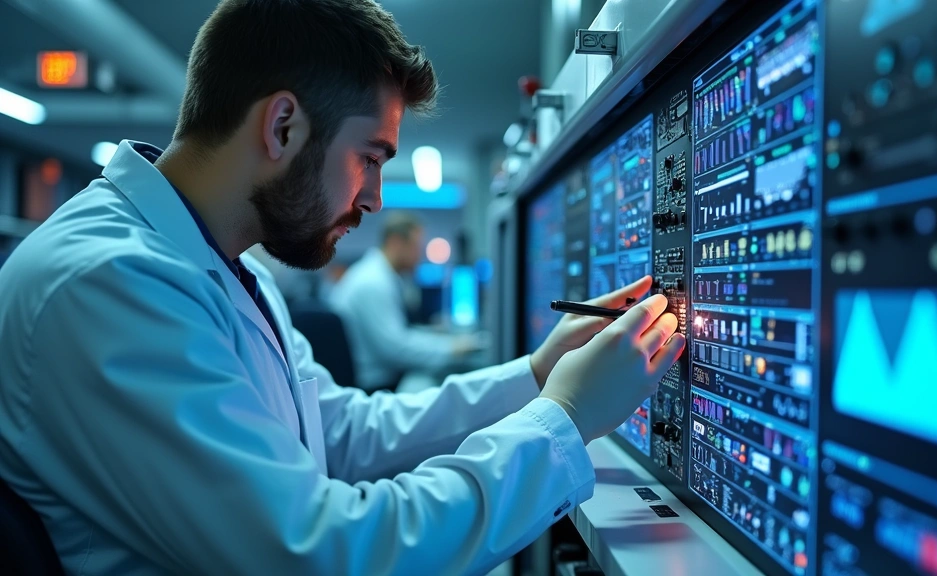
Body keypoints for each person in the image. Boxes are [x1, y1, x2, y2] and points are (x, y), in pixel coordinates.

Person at [0, 1, 686, 575]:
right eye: (369, 158)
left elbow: (345, 434)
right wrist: (565, 419)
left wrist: (537, 375)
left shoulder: (226, 266)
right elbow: (325, 555)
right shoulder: (108, 283)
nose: (376, 199)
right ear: (283, 126)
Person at [329, 211, 481, 392]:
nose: (420, 256)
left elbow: (396, 335)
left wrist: (436, 337)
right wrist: (452, 348)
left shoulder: (381, 275)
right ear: (396, 242)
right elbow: (396, 349)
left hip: (378, 376)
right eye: (416, 247)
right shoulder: (372, 283)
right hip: (374, 386)